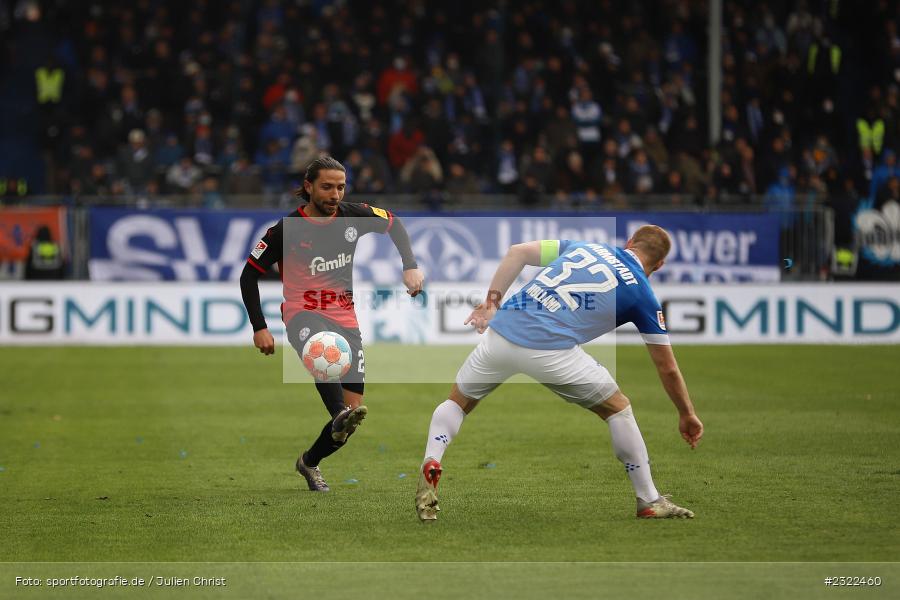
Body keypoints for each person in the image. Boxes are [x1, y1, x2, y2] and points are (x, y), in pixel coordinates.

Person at [415, 225, 703, 521]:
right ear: (659, 264)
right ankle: (649, 499)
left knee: (458, 402)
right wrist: (686, 413)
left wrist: (491, 303)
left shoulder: (585, 246)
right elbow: (667, 367)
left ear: (629, 243)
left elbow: (518, 252)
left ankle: (432, 458)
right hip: (551, 350)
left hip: (501, 334)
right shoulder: (643, 294)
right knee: (618, 409)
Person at [240, 156, 424, 492]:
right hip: (302, 313)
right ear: (308, 187)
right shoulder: (285, 229)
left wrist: (409, 265)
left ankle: (309, 462)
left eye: (340, 186)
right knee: (322, 349)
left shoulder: (354, 215)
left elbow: (394, 223)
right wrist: (259, 326)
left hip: (345, 318)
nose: (335, 194)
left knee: (350, 422)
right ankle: (338, 411)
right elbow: (249, 274)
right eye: (327, 186)